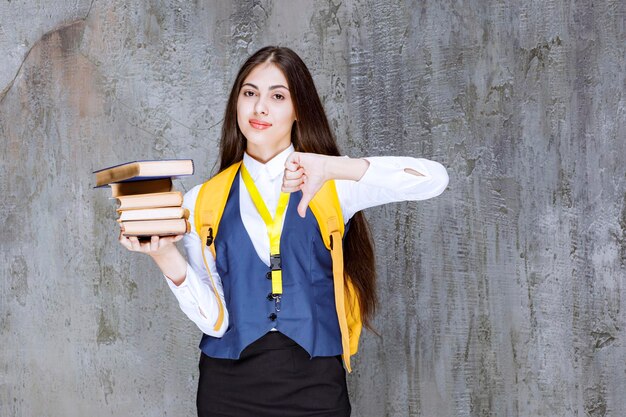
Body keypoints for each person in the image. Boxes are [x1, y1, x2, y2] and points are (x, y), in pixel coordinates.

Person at [119, 46, 448, 417]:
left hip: (315, 384)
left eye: (277, 96)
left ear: (298, 110)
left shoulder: (332, 183)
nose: (260, 107)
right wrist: (164, 256)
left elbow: (433, 180)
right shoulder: (202, 200)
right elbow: (215, 320)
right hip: (228, 387)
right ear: (236, 105)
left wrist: (335, 167)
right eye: (249, 93)